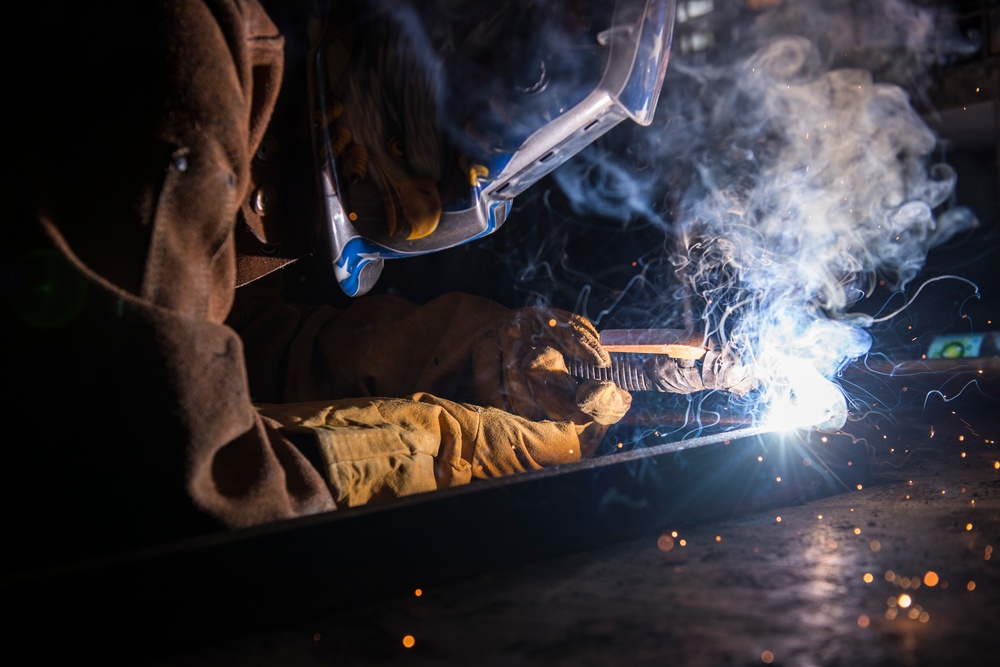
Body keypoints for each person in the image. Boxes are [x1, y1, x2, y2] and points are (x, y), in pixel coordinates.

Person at [3, 0, 745, 571]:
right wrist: (437, 447)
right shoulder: (186, 62)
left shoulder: (283, 106)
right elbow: (185, 479)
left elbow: (237, 342)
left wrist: (474, 353)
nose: (482, 155)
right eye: (502, 88)